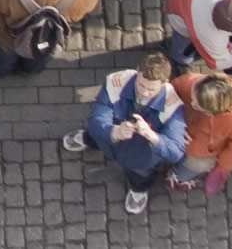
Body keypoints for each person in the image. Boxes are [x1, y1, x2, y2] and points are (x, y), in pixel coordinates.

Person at [65, 51, 188, 216]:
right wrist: (113, 131)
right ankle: (88, 139)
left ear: (164, 83)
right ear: (137, 72)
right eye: (141, 85)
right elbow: (98, 116)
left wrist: (152, 136)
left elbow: (176, 151)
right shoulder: (116, 82)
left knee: (140, 176)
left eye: (151, 89)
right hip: (111, 137)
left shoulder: (173, 106)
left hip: (142, 154)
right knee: (95, 133)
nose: (144, 93)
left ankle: (139, 190)